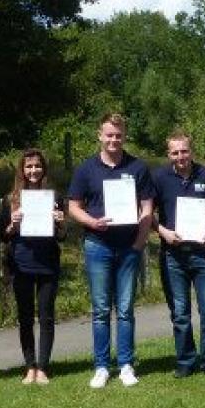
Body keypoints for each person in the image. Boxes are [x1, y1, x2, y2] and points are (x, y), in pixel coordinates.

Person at [67, 113, 154, 389]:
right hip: (98, 246)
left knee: (126, 309)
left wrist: (140, 243)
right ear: (100, 136)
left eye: (118, 135)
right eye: (109, 135)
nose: (114, 139)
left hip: (129, 246)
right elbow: (73, 207)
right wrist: (92, 222)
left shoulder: (138, 168)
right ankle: (102, 366)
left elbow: (148, 208)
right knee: (102, 309)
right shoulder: (85, 170)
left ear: (124, 136)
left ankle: (126, 364)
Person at [151, 130, 205, 380]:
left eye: (184, 151)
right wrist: (163, 232)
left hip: (203, 255)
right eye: (175, 152)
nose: (180, 156)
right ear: (168, 154)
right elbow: (148, 213)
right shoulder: (159, 177)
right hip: (173, 255)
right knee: (180, 313)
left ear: (191, 151)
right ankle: (185, 360)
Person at [1, 148, 64, 384]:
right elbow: (3, 236)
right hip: (22, 264)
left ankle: (44, 367)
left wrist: (60, 222)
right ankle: (30, 366)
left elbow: (62, 236)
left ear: (43, 169)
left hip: (48, 263)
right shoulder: (10, 200)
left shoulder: (54, 197)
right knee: (25, 317)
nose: (33, 171)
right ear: (22, 170)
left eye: (37, 166)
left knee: (46, 316)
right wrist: (12, 224)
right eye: (28, 167)